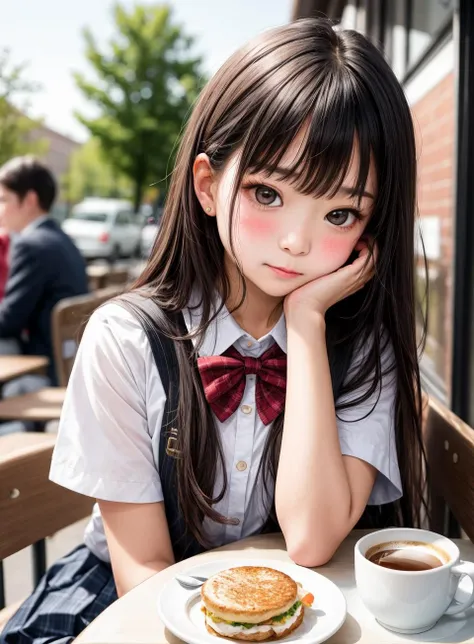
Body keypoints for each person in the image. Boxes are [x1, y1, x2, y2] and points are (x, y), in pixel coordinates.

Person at [0, 18, 427, 644]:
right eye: (267, 192)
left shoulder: (362, 347)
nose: (296, 241)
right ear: (207, 184)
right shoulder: (125, 340)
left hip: (297, 606)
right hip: (133, 603)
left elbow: (311, 538)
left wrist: (306, 328)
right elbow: (141, 571)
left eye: (339, 212)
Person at [0, 156, 88, 386]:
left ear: (29, 200)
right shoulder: (62, 240)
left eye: (3, 199)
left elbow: (9, 321)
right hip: (68, 361)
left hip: (44, 368)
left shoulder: (32, 245)